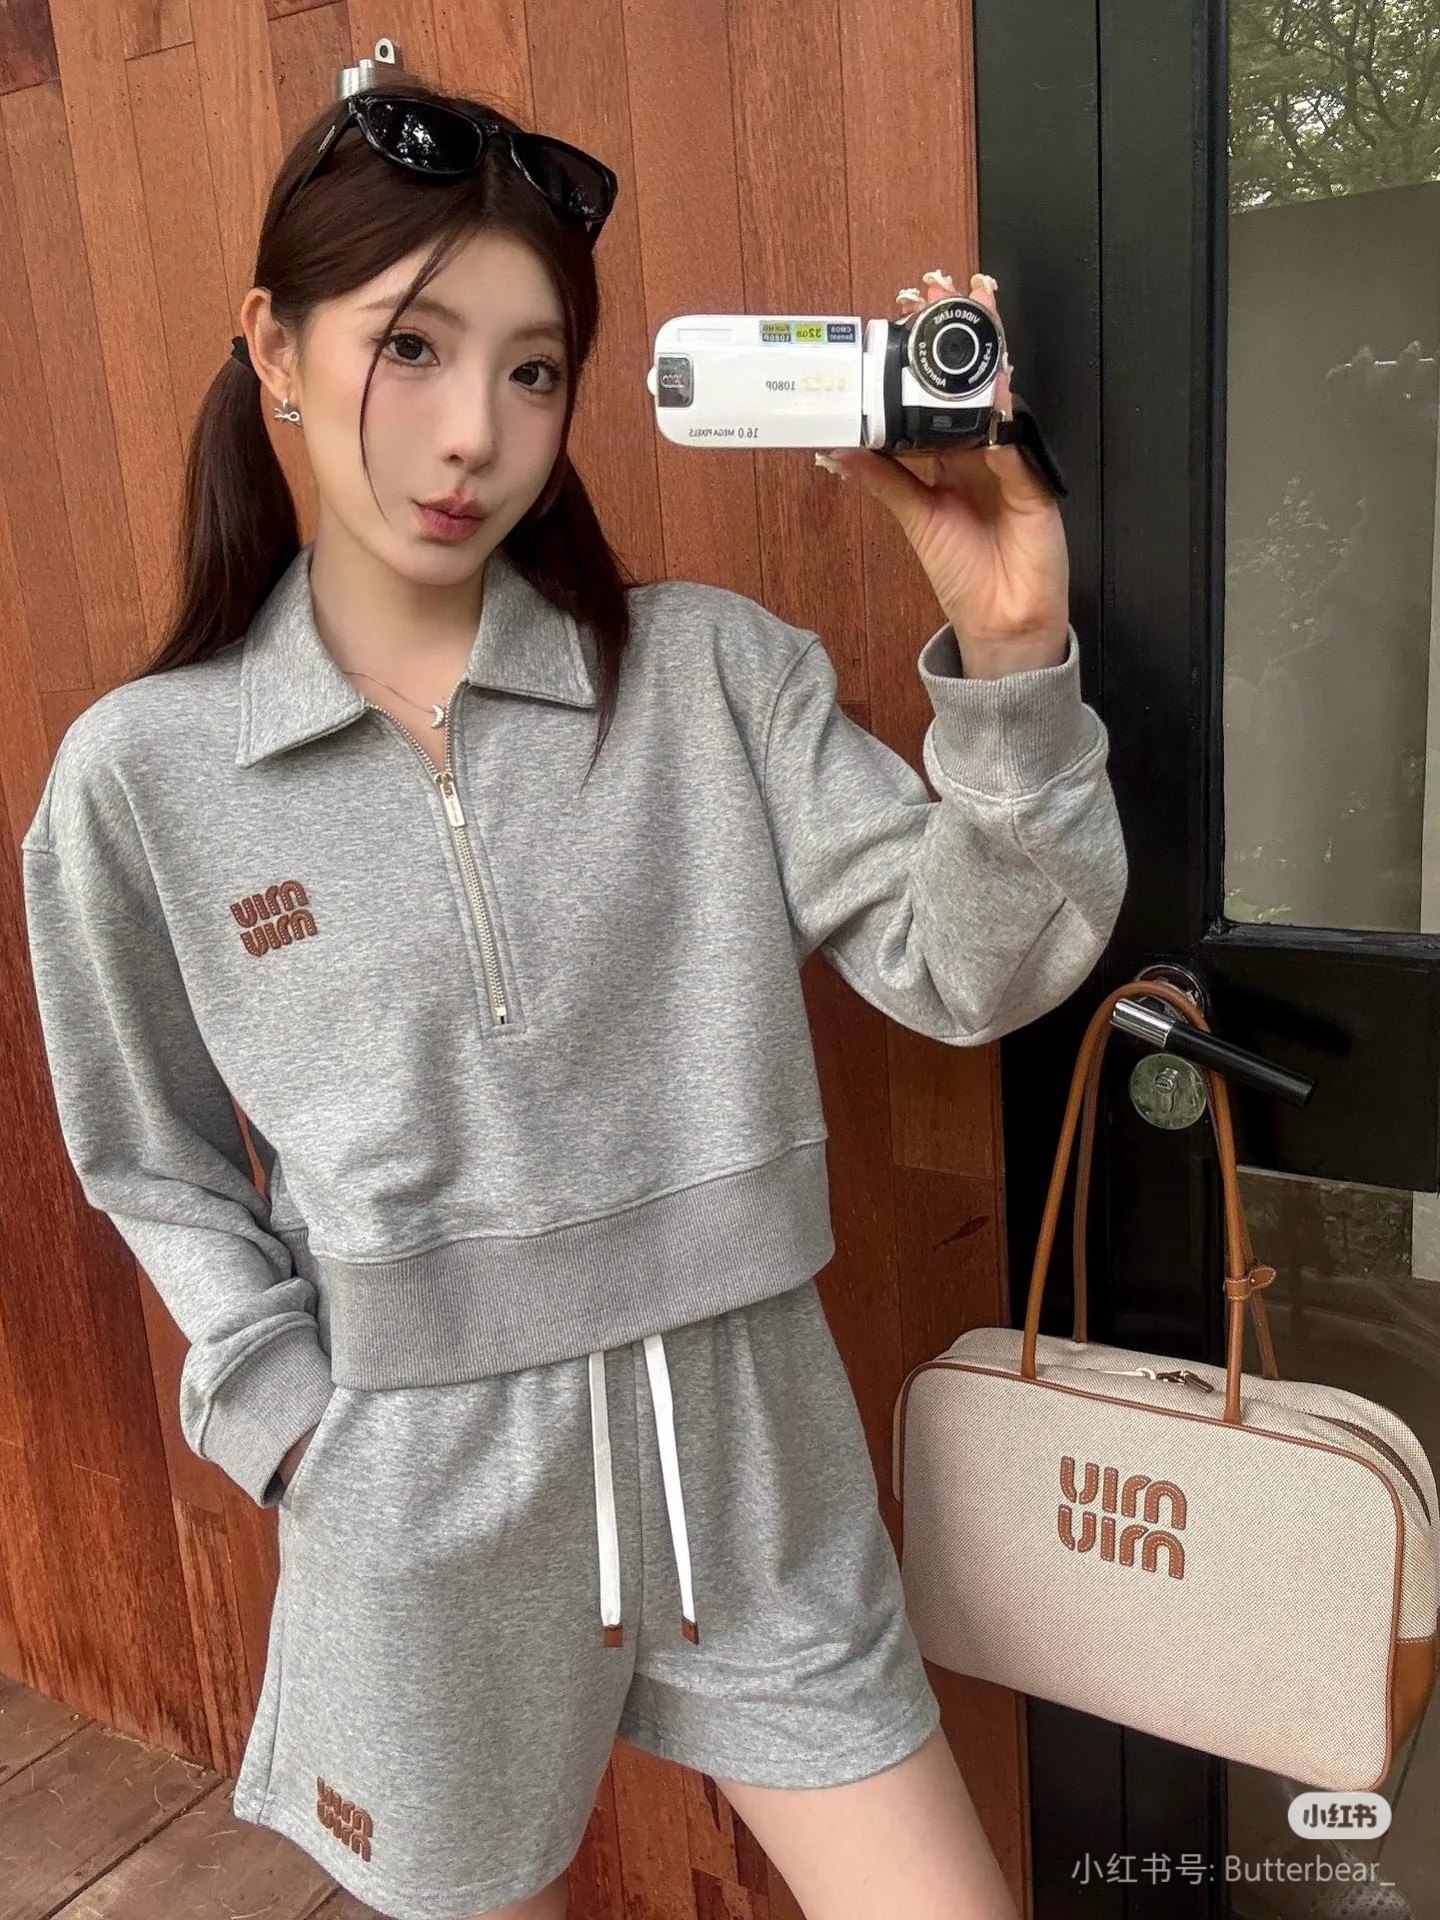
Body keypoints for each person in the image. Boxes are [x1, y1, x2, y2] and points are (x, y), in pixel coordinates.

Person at [20, 71, 1127, 1920]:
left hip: (755, 1451)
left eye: (532, 370)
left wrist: (1011, 649)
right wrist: (290, 1421)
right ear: (275, 351)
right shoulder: (141, 779)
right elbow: (146, 1154)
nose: (473, 433)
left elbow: (976, 965)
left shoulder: (710, 677)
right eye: (411, 349)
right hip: (421, 1494)